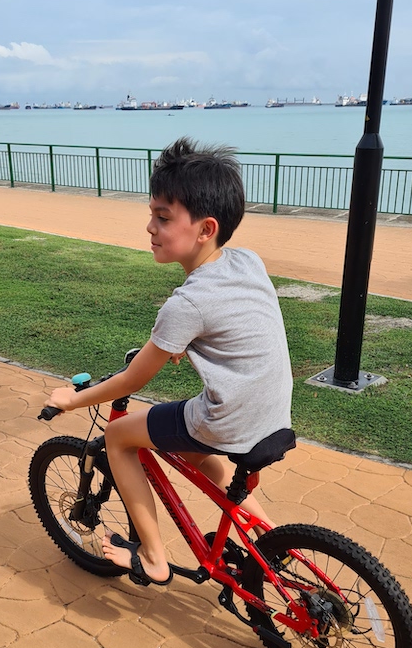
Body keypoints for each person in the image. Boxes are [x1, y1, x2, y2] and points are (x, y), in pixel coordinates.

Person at [44, 137, 293, 585]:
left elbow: (130, 381)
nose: (150, 227)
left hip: (228, 419)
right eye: (151, 215)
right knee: (197, 454)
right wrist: (182, 343)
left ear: (205, 228)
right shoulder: (247, 262)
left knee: (119, 435)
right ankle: (270, 537)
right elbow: (235, 322)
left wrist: (72, 400)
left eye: (163, 217)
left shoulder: (186, 305)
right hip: (272, 410)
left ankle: (154, 558)